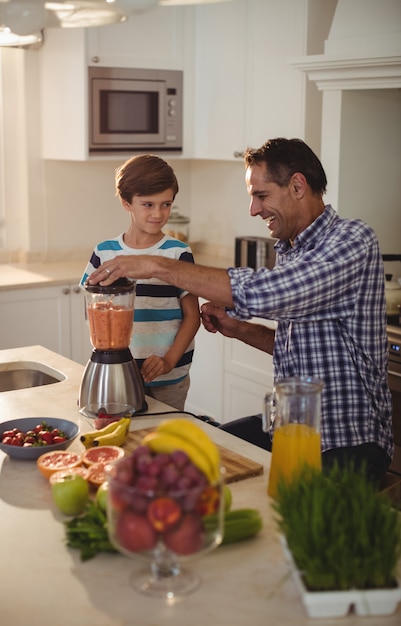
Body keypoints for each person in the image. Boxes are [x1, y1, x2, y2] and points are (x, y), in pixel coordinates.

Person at [87, 138, 393, 487]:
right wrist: (241, 329)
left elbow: (277, 291)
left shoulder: (352, 239)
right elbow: (307, 347)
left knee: (276, 518)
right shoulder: (293, 249)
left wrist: (158, 264)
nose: (253, 209)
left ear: (297, 186)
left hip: (347, 442)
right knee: (193, 457)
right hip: (291, 428)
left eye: (260, 196)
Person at [81, 154, 200, 411]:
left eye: (165, 204)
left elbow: (193, 316)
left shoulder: (178, 253)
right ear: (126, 202)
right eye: (148, 204)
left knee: (163, 442)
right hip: (119, 372)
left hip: (168, 376)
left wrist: (168, 360)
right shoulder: (104, 252)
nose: (158, 214)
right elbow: (91, 310)